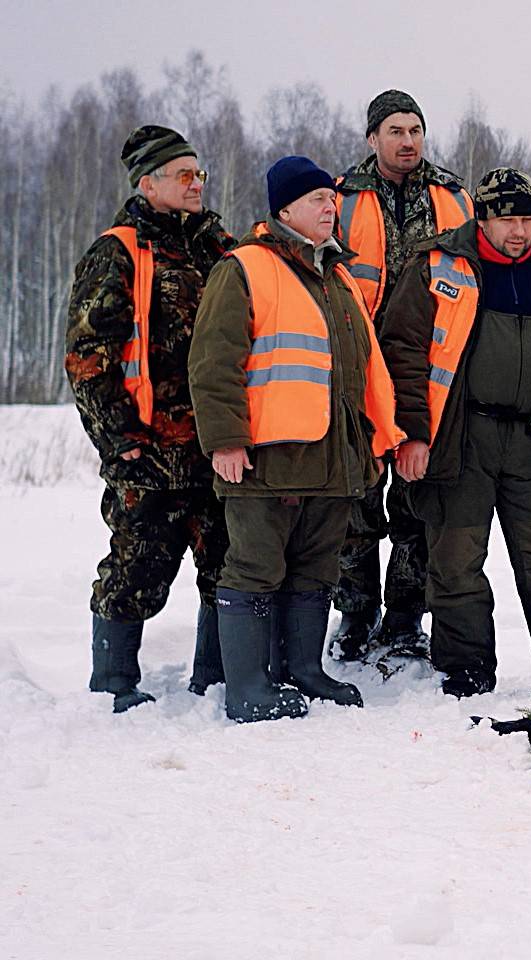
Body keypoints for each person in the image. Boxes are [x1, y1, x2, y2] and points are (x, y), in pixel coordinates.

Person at [379, 167, 531, 699]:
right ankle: (465, 674)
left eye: (528, 219)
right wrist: (412, 435)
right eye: (507, 219)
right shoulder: (435, 266)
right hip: (461, 439)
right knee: (456, 564)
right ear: (483, 218)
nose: (519, 231)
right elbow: (402, 355)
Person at [189, 156, 405, 722]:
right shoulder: (243, 268)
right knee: (255, 568)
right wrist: (225, 441)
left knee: (315, 570)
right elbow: (214, 362)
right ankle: (247, 689)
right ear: (284, 210)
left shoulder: (338, 277)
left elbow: (367, 367)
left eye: (332, 199)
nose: (331, 208)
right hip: (266, 458)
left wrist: (380, 439)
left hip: (334, 459)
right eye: (316, 200)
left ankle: (303, 672)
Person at [66, 125, 233, 712]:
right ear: (149, 182)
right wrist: (118, 441)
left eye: (199, 173)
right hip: (150, 452)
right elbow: (88, 357)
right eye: (183, 174)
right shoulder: (117, 251)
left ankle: (216, 681)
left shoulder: (219, 247)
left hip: (217, 447)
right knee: (137, 571)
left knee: (227, 568)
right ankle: (113, 685)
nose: (196, 184)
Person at [329, 89, 473, 662]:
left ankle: (406, 618)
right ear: (372, 139)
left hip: (428, 370)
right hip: (360, 369)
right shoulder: (339, 198)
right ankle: (355, 614)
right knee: (356, 501)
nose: (408, 140)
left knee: (418, 500)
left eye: (415, 129)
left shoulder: (455, 196)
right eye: (395, 130)